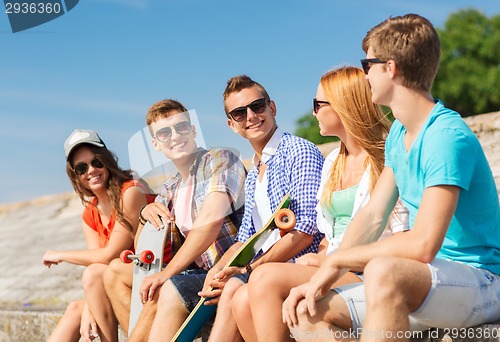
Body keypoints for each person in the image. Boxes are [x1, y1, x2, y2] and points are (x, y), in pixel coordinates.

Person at [282, 13, 500, 342]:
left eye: (367, 65)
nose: (364, 75)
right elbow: (372, 214)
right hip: (429, 279)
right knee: (306, 311)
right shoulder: (399, 132)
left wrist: (337, 259)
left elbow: (423, 244)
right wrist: (328, 270)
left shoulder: (445, 136)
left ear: (391, 68)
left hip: (481, 279)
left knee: (384, 269)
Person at [236, 66, 410, 341]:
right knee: (241, 299)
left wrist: (328, 262)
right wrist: (321, 257)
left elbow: (402, 237)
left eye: (318, 104)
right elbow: (327, 235)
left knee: (263, 278)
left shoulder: (386, 158)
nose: (313, 112)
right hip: (335, 265)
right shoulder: (332, 163)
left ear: (344, 105)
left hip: (368, 271)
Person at [148, 75, 325, 342]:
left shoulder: (298, 152)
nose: (251, 116)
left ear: (272, 107)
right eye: (240, 113)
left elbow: (305, 232)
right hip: (262, 271)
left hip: (294, 267)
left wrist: (247, 270)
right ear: (232, 125)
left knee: (232, 290)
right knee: (214, 287)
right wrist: (214, 273)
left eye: (258, 106)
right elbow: (244, 241)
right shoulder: (255, 172)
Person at [102, 99, 246, 341]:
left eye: (181, 128)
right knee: (114, 272)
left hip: (230, 268)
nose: (175, 136)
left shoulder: (220, 160)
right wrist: (145, 215)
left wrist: (167, 274)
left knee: (163, 286)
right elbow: (144, 251)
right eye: (164, 133)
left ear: (193, 131)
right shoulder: (170, 188)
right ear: (156, 144)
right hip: (196, 274)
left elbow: (210, 222)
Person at [43, 129, 156, 342]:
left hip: (150, 275)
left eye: (96, 162)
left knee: (93, 275)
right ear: (75, 175)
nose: (91, 171)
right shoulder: (90, 214)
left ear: (107, 161)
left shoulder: (131, 191)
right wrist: (89, 306)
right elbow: (96, 264)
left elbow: (110, 255)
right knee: (76, 308)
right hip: (116, 282)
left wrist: (60, 255)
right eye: (82, 167)